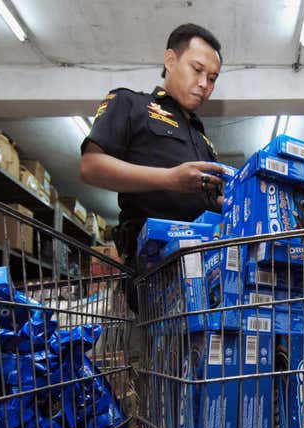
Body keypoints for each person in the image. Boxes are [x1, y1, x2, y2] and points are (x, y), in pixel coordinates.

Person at [79, 23, 225, 311]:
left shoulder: (202, 139)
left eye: (212, 78)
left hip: (207, 267)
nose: (204, 84)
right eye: (197, 70)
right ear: (170, 60)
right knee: (168, 353)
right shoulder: (131, 105)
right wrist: (170, 179)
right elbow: (90, 166)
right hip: (156, 269)